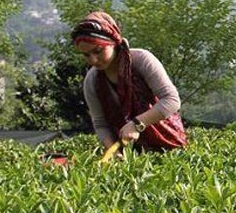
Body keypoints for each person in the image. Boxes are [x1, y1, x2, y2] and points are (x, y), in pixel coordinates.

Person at [71, 11, 187, 151]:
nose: (93, 60)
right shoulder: (92, 80)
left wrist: (137, 124)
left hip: (167, 142)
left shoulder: (141, 60)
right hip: (128, 151)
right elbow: (100, 124)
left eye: (98, 51)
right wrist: (112, 151)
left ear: (113, 42)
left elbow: (172, 101)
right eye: (86, 55)